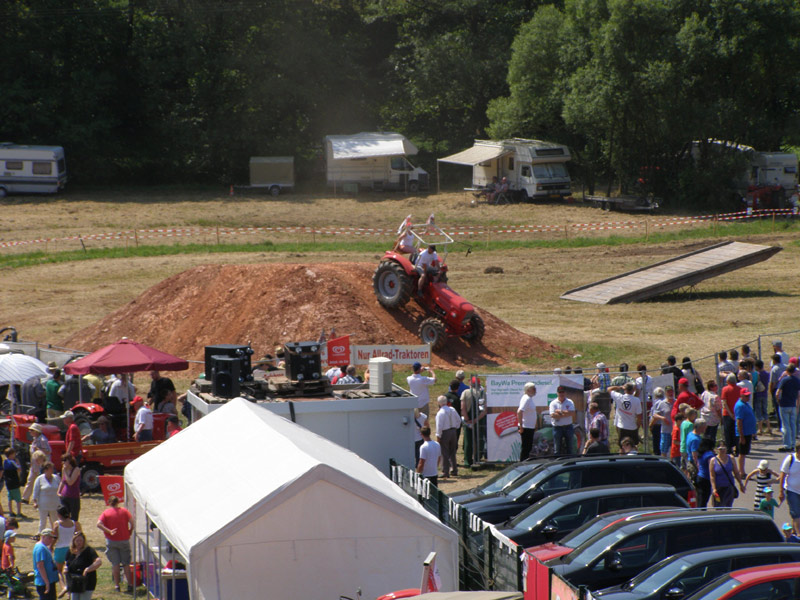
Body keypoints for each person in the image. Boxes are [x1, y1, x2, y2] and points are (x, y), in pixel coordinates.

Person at [96, 495, 133, 593]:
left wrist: (109, 531)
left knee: (115, 564)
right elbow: (132, 522)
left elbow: (98, 524)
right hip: (124, 539)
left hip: (111, 540)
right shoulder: (124, 511)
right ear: (118, 502)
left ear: (109, 503)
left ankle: (117, 585)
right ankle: (129, 584)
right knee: (126, 564)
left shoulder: (106, 513)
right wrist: (130, 531)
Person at [64, 531, 101, 600]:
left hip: (87, 582)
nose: (79, 542)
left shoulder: (89, 550)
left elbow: (98, 562)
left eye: (81, 540)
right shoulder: (70, 551)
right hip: (74, 582)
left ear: (84, 541)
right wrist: (65, 568)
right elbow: (66, 563)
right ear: (73, 541)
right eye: (77, 540)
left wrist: (88, 569)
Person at [53, 504, 80, 592]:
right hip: (71, 549)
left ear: (59, 514)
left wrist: (50, 546)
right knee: (69, 571)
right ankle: (70, 590)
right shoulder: (74, 523)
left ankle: (63, 587)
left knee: (59, 571)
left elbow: (55, 537)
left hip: (60, 549)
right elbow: (79, 536)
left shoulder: (57, 524)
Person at [709, 442, 744, 507]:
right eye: (720, 448)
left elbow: (736, 472)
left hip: (729, 487)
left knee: (728, 507)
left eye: (724, 448)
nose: (722, 450)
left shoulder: (731, 458)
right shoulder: (713, 460)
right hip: (718, 488)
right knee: (718, 507)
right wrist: (714, 488)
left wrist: (741, 484)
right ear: (717, 449)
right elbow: (712, 476)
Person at [461, 376, 485, 467]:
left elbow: (462, 408)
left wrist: (467, 420)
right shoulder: (482, 394)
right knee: (479, 440)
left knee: (468, 441)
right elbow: (484, 410)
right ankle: (477, 458)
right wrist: (476, 420)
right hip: (479, 420)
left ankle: (468, 461)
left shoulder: (465, 392)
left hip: (468, 420)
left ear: (470, 383)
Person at [609, 382, 642, 446]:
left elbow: (609, 389)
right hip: (632, 427)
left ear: (625, 389)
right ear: (633, 390)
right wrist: (638, 426)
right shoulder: (637, 400)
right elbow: (639, 416)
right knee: (634, 446)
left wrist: (620, 387)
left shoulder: (619, 397)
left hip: (622, 426)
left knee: (622, 447)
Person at [776, 363, 800, 452]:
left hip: (784, 404)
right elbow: (798, 394)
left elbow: (777, 393)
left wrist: (778, 400)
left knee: (785, 425)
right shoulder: (797, 380)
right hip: (793, 404)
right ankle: (793, 443)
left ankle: (787, 444)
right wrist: (797, 405)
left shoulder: (784, 380)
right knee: (793, 424)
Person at [435, 396, 460, 478]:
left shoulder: (440, 413)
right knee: (452, 451)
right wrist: (455, 427)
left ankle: (446, 472)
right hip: (453, 431)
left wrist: (438, 435)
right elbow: (458, 420)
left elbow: (439, 426)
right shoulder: (452, 410)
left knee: (444, 452)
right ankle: (454, 470)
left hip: (445, 432)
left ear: (439, 403)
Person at [33, 462, 61, 535]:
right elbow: (35, 491)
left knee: (55, 520)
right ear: (45, 470)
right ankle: (40, 534)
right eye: (50, 468)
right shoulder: (39, 479)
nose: (52, 470)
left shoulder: (56, 478)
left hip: (55, 503)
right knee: (43, 521)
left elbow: (61, 488)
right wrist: (35, 502)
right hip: (43, 504)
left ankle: (55, 534)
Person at [734, 388, 757, 475]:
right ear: (741, 395)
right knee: (742, 453)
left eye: (749, 395)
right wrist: (741, 436)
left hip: (748, 432)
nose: (748, 397)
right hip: (743, 433)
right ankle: (741, 471)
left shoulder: (746, 404)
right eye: (746, 396)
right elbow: (739, 421)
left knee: (745, 452)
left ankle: (742, 470)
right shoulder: (740, 406)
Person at [33, 528, 59, 600]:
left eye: (52, 538)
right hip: (44, 582)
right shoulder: (40, 548)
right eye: (49, 538)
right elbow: (40, 566)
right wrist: (46, 582)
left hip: (48, 580)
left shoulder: (43, 547)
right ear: (43, 536)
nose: (51, 540)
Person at [549, 386, 575, 456]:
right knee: (557, 449)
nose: (561, 394)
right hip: (557, 428)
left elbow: (572, 413)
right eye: (560, 392)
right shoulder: (553, 403)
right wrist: (566, 413)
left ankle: (571, 463)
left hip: (568, 427)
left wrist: (559, 412)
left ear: (565, 393)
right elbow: (552, 415)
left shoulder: (570, 402)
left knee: (570, 447)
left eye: (563, 392)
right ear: (557, 393)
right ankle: (557, 464)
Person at [649, 387, 673, 458]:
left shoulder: (657, 403)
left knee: (657, 445)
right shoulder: (663, 402)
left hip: (657, 425)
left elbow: (654, 416)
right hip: (663, 426)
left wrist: (651, 424)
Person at [720, 373, 740, 453]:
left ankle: (729, 448)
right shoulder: (739, 389)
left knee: (728, 432)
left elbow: (724, 402)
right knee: (736, 431)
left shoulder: (725, 389)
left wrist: (730, 413)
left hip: (727, 414)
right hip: (737, 413)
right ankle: (737, 448)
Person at [517, 383, 538, 461]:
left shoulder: (529, 398)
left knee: (528, 447)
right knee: (526, 448)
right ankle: (522, 464)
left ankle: (524, 463)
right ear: (528, 390)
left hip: (529, 426)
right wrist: (521, 426)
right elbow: (519, 411)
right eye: (533, 388)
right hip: (526, 427)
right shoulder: (526, 398)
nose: (535, 390)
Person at [695, 437, 716, 507]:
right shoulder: (709, 455)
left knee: (700, 497)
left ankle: (699, 509)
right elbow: (712, 467)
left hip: (700, 476)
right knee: (704, 499)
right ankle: (702, 512)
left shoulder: (700, 453)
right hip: (706, 478)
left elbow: (698, 464)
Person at [754, 359, 773, 436]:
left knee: (758, 412)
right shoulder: (767, 374)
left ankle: (760, 429)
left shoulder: (757, 374)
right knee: (765, 411)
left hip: (758, 394)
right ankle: (769, 428)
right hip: (765, 394)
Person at [59, 454, 81, 521]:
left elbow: (70, 482)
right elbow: (63, 481)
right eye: (62, 461)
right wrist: (58, 491)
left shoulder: (76, 469)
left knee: (74, 518)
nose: (63, 462)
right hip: (64, 496)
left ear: (69, 461)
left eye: (65, 460)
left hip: (73, 496)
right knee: (64, 516)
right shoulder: (64, 469)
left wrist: (65, 471)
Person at [2, 448, 22, 518]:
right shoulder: (12, 462)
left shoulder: (5, 462)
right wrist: (18, 462)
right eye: (14, 454)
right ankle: (19, 512)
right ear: (10, 455)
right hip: (14, 482)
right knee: (18, 499)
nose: (15, 455)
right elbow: (19, 469)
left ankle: (11, 512)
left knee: (10, 498)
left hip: (8, 483)